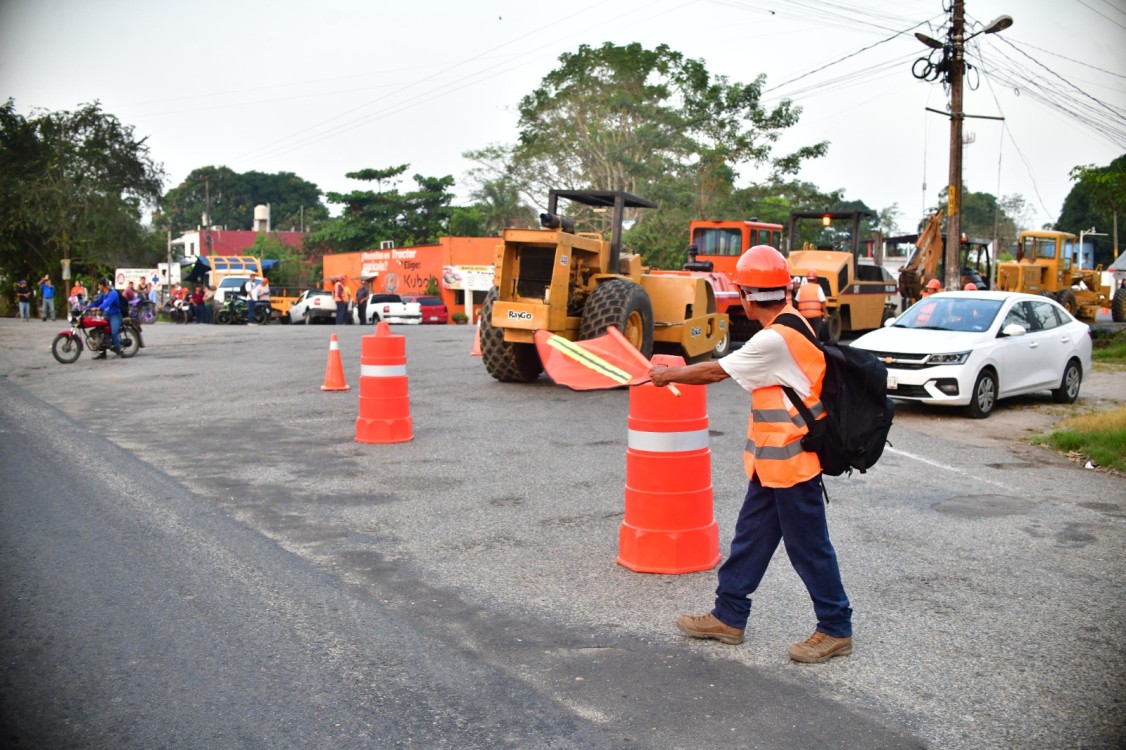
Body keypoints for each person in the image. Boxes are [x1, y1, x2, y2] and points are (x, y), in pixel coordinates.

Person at [648, 245, 853, 664]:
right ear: (786, 288)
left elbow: (713, 371)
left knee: (809, 548)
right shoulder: (791, 321)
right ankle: (729, 615)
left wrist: (666, 375)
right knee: (750, 539)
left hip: (792, 462)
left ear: (744, 296)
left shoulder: (775, 338)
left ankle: (835, 628)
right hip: (771, 462)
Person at [90, 278, 124, 359]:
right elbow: (97, 302)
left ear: (102, 285)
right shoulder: (102, 294)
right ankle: (103, 353)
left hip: (115, 315)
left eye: (99, 285)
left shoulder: (113, 293)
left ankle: (119, 351)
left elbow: (107, 302)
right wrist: (86, 308)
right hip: (106, 315)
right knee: (100, 331)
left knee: (114, 332)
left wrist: (98, 308)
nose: (98, 286)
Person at [795, 270, 828, 340]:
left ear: (807, 279)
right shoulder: (818, 288)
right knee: (815, 334)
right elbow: (823, 302)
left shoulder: (801, 288)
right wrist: (825, 314)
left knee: (806, 334)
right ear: (816, 279)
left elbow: (797, 301)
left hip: (804, 316)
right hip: (816, 316)